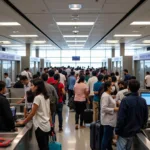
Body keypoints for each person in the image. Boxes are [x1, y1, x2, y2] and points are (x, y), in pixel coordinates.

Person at [17, 79, 52, 150]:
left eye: (32, 85)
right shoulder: (46, 97)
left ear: (37, 87)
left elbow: (33, 113)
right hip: (46, 125)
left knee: (42, 147)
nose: (31, 87)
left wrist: (23, 122)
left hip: (40, 126)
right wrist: (51, 125)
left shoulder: (37, 98)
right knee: (45, 146)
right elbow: (48, 112)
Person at [116, 79, 148, 150]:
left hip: (124, 133)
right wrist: (142, 126)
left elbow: (121, 118)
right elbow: (145, 117)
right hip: (135, 132)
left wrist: (117, 131)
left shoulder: (125, 100)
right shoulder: (143, 101)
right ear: (138, 89)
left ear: (128, 88)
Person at [101, 81, 119, 150]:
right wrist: (114, 109)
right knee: (106, 138)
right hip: (108, 120)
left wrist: (113, 98)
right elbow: (104, 108)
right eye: (111, 86)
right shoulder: (105, 96)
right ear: (108, 87)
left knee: (109, 138)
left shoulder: (108, 95)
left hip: (110, 120)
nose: (113, 87)